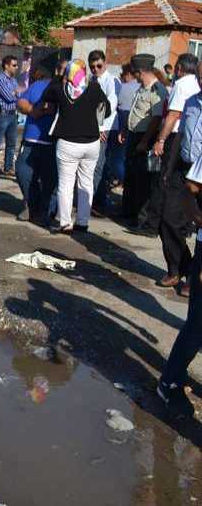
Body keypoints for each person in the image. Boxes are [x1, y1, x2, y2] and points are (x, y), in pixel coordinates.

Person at [156, 60, 202, 418]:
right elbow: (193, 185)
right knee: (198, 323)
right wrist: (199, 218)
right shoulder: (190, 101)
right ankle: (170, 380)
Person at [149, 53, 200, 289]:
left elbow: (171, 116)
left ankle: (193, 277)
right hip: (183, 164)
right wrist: (169, 162)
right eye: (200, 76)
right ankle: (181, 268)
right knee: (167, 217)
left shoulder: (181, 87)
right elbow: (181, 131)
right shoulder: (191, 101)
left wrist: (159, 140)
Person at [45, 60, 110, 233]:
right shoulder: (94, 88)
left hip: (68, 143)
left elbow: (47, 95)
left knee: (66, 184)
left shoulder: (60, 89)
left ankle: (65, 223)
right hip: (91, 143)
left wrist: (59, 76)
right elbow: (107, 109)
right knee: (86, 183)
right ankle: (82, 222)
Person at [120, 54, 166, 223]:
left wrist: (145, 141)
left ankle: (140, 217)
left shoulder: (157, 89)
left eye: (135, 73)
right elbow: (135, 111)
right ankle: (128, 211)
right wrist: (125, 129)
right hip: (134, 134)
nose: (134, 76)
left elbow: (156, 118)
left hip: (145, 137)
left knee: (142, 179)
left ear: (141, 72)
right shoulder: (142, 88)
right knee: (130, 175)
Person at [14, 65, 57, 225]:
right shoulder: (38, 85)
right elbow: (21, 102)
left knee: (50, 180)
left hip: (53, 142)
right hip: (31, 140)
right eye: (60, 70)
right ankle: (32, 205)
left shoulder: (68, 90)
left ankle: (46, 211)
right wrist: (32, 109)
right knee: (23, 172)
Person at [87, 50, 122, 216]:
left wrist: (100, 128)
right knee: (94, 165)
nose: (96, 69)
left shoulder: (111, 80)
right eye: (92, 67)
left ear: (105, 63)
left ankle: (95, 202)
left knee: (99, 166)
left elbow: (110, 106)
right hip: (94, 127)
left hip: (105, 128)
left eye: (99, 66)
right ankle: (95, 201)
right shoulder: (92, 80)